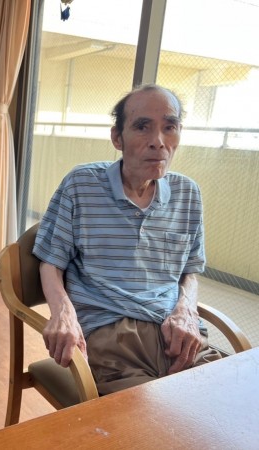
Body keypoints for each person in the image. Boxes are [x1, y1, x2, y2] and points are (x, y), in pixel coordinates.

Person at [33, 84, 221, 396]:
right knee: (150, 421)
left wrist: (186, 308)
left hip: (176, 333)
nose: (158, 141)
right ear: (117, 138)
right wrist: (62, 312)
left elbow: (190, 271)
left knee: (228, 403)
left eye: (169, 127)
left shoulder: (188, 193)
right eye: (142, 126)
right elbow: (51, 262)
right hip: (111, 334)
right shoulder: (82, 184)